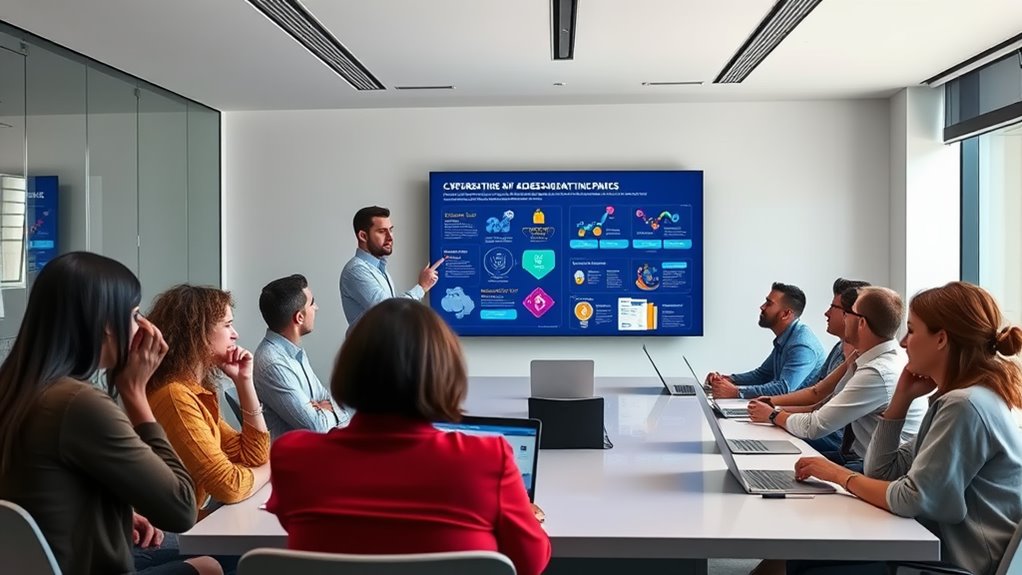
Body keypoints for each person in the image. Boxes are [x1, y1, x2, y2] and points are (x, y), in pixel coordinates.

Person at [267, 299, 551, 575]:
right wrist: (522, 516)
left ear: (349, 368)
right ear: (445, 373)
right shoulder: (489, 459)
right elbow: (530, 563)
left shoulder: (292, 456)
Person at [0, 252, 220, 575]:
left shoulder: (15, 388)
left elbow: (40, 490)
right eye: (133, 315)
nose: (143, 327)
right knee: (214, 563)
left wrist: (118, 513)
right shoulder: (78, 403)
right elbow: (181, 508)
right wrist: (135, 394)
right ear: (105, 324)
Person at [791, 282, 1022, 575]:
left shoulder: (964, 406)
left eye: (912, 330)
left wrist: (835, 474)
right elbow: (882, 473)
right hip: (934, 550)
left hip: (953, 566)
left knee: (807, 565)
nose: (903, 343)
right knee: (806, 558)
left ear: (941, 339)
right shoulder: (966, 397)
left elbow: (909, 499)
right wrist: (900, 400)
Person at [749, 287, 927, 472]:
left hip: (874, 469)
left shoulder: (877, 372)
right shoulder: (866, 356)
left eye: (847, 313)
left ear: (861, 323)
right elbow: (818, 397)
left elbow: (816, 426)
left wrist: (772, 415)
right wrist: (774, 409)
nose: (843, 317)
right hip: (859, 458)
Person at [146, 285, 270, 516]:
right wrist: (272, 469)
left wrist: (245, 382)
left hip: (180, 523)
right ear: (198, 333)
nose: (235, 334)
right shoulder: (175, 396)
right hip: (160, 535)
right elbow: (229, 487)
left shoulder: (193, 390)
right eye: (227, 325)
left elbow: (253, 457)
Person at [253, 274, 348, 440]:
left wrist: (326, 408)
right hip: (297, 461)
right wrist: (327, 410)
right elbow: (318, 427)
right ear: (299, 317)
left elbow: (325, 398)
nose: (316, 308)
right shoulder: (273, 363)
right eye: (312, 303)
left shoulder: (293, 353)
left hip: (316, 451)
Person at [708, 282, 826, 399]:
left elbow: (783, 389)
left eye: (769, 303)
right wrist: (726, 380)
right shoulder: (787, 337)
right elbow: (763, 375)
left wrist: (736, 392)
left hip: (796, 413)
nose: (762, 307)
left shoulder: (802, 346)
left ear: (785, 314)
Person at [339, 205, 444, 328]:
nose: (390, 237)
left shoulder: (379, 269)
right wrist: (421, 287)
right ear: (363, 236)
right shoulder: (356, 270)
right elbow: (390, 311)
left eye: (391, 230)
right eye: (382, 231)